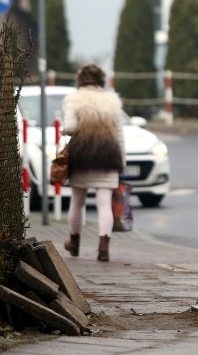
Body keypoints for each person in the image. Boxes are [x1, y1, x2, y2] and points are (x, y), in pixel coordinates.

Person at [61, 64, 126, 261]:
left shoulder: (74, 99)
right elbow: (119, 134)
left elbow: (71, 127)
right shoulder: (112, 101)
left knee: (77, 202)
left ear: (80, 79)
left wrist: (65, 130)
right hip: (108, 155)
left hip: (82, 156)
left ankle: (74, 243)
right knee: (104, 203)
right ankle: (103, 246)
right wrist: (122, 160)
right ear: (101, 80)